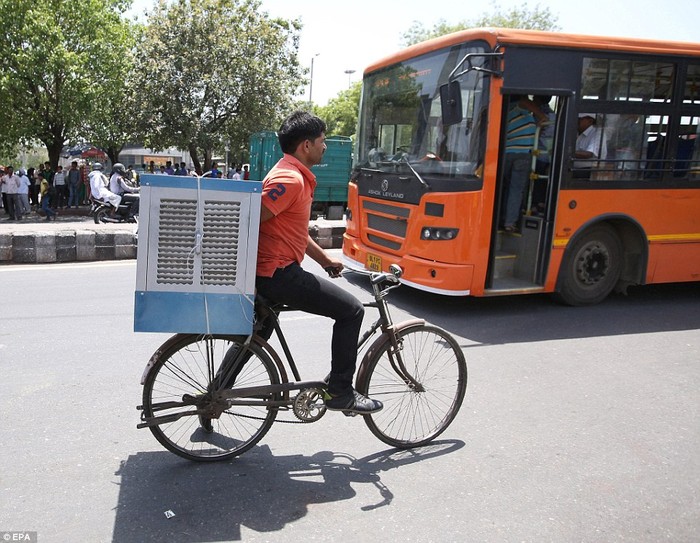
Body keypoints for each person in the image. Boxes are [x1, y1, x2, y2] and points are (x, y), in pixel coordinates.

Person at [255, 111, 383, 415]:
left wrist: (326, 260)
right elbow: (253, 216)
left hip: (268, 272)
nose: (325, 147)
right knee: (351, 311)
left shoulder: (290, 174)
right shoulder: (290, 178)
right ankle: (340, 392)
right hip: (279, 274)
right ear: (306, 145)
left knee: (257, 335)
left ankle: (214, 395)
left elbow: (292, 232)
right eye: (322, 141)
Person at [502, 95, 537, 232]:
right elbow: (524, 101)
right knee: (516, 189)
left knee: (506, 188)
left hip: (507, 153)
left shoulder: (505, 110)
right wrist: (542, 117)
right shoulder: (518, 106)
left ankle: (503, 218)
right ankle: (509, 222)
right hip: (521, 154)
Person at [574, 113, 608, 179]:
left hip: (590, 171)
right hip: (574, 168)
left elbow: (589, 154)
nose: (576, 121)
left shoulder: (598, 133)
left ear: (590, 121)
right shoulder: (578, 133)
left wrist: (566, 152)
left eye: (579, 119)